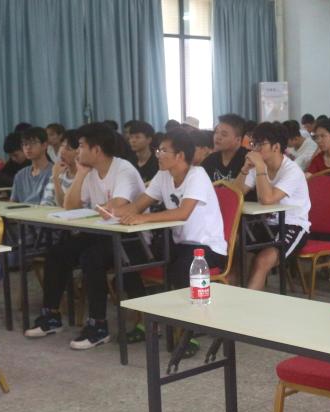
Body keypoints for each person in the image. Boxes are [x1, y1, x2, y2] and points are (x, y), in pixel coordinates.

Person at [24, 123, 147, 350]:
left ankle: (98, 326)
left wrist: (100, 208)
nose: (77, 151)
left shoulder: (123, 169)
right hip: (103, 232)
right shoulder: (90, 172)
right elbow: (70, 206)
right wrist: (80, 174)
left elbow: (117, 205)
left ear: (96, 150)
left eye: (81, 146)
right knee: (57, 253)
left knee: (92, 257)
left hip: (132, 239)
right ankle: (51, 316)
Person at [115, 128, 228, 303]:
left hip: (206, 248)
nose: (158, 155)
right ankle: (143, 312)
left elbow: (183, 213)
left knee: (180, 270)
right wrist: (113, 212)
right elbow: (137, 206)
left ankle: (192, 318)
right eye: (158, 150)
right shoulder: (163, 175)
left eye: (163, 151)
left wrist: (142, 218)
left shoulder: (197, 175)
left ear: (180, 155)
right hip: (178, 245)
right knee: (130, 259)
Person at [237, 122, 311, 291]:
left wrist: (259, 167)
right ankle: (236, 298)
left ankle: (247, 304)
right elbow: (236, 193)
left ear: (276, 147)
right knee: (239, 255)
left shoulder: (292, 171)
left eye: (260, 144)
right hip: (267, 223)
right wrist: (245, 169)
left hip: (293, 225)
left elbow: (267, 199)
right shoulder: (258, 166)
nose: (255, 149)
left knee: (262, 261)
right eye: (253, 144)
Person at [200, 114, 248, 183]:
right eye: (216, 132)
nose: (218, 137)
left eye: (224, 134)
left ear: (238, 139)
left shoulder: (248, 160)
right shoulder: (210, 161)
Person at [10, 127, 53, 204]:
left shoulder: (54, 172)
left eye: (33, 143)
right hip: (21, 211)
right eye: (25, 144)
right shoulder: (20, 175)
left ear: (44, 145)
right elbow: (13, 202)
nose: (28, 147)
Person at [46, 129, 80, 206]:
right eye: (62, 146)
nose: (62, 151)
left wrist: (56, 180)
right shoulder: (59, 172)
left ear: (79, 152)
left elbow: (65, 205)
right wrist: (55, 177)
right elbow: (46, 202)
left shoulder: (84, 177)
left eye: (68, 149)